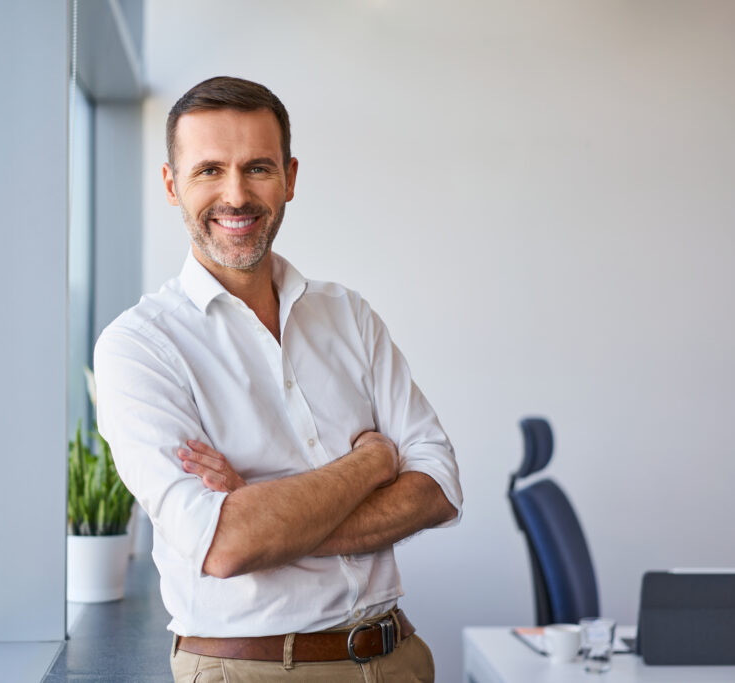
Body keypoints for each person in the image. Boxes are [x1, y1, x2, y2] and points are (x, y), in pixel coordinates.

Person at [93, 76, 463, 682]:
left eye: (257, 168)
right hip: (256, 671)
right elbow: (228, 545)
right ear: (171, 185)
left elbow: (438, 486)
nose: (235, 195)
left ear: (290, 177)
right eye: (208, 170)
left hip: (399, 660)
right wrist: (371, 463)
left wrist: (271, 514)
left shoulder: (349, 315)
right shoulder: (138, 347)